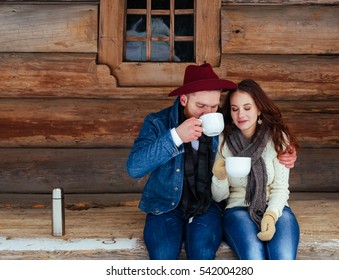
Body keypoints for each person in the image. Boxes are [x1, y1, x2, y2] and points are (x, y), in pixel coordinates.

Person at [126, 64, 297, 260]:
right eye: (200, 106)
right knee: (163, 255)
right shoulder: (158, 122)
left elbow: (259, 137)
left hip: (207, 205)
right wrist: (175, 137)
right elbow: (134, 168)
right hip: (164, 205)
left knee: (203, 253)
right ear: (184, 99)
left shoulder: (224, 126)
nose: (208, 113)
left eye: (214, 106)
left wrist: (287, 153)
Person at [211, 79, 300, 260]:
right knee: (253, 256)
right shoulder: (224, 141)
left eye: (247, 107)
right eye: (235, 109)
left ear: (259, 108)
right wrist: (219, 177)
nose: (240, 114)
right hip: (237, 209)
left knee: (283, 258)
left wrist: (271, 215)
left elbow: (281, 188)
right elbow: (219, 197)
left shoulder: (277, 138)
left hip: (277, 208)